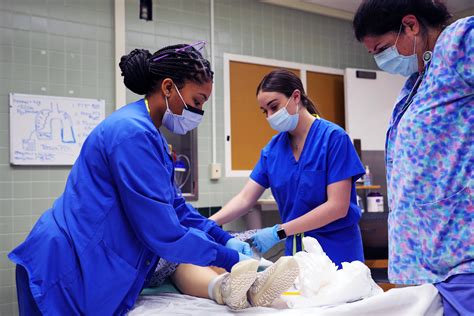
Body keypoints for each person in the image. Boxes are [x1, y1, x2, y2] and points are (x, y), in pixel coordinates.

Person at [8, 43, 285, 315]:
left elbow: (178, 208)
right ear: (167, 87)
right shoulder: (132, 133)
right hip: (65, 264)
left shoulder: (152, 138)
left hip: (85, 260)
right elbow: (164, 233)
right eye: (197, 101)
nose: (198, 112)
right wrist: (229, 258)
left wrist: (224, 238)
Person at [353, 1, 473, 315]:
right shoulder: (415, 85)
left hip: (461, 250)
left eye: (380, 48)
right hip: (426, 260)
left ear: (411, 25)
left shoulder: (459, 42)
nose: (380, 59)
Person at [211, 69, 366, 267]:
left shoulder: (334, 139)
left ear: (295, 97)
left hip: (337, 253)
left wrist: (280, 231)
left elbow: (337, 207)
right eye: (264, 111)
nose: (269, 116)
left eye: (274, 107)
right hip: (297, 255)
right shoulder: (273, 150)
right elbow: (244, 199)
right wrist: (209, 223)